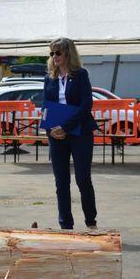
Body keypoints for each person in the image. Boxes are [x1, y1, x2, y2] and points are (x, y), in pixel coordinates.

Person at [44, 38, 98, 230]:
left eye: (58, 53)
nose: (54, 57)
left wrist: (65, 127)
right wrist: (50, 130)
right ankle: (66, 225)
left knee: (83, 178)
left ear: (68, 54)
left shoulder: (81, 75)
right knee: (61, 182)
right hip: (56, 135)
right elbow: (46, 106)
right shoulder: (49, 77)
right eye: (52, 53)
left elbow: (86, 105)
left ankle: (91, 222)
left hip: (80, 133)